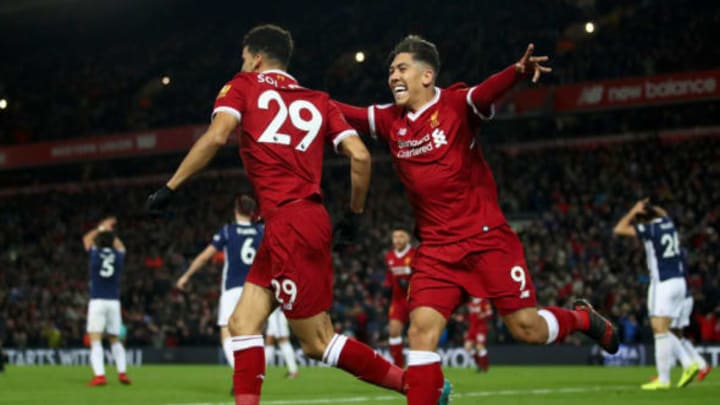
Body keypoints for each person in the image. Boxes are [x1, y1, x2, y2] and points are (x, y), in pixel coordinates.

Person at [145, 25, 449, 405]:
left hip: (291, 224)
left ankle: (420, 387)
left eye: (244, 58)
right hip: (289, 223)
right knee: (242, 323)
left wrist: (170, 187)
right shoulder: (319, 100)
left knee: (318, 342)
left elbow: (217, 135)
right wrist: (353, 215)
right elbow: (360, 156)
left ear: (255, 58)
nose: (243, 64)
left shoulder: (243, 85)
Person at [334, 35, 618, 404]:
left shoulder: (455, 104)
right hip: (436, 250)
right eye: (390, 71)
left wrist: (515, 73)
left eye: (401, 69)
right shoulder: (391, 120)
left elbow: (484, 94)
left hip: (487, 241)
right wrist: (295, 95)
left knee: (527, 328)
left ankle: (583, 319)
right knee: (420, 334)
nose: (393, 77)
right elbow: (341, 111)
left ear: (427, 75)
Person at [613, 199, 702, 389]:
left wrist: (632, 211)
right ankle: (687, 364)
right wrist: (648, 208)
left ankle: (665, 378)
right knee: (666, 329)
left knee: (658, 329)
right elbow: (662, 212)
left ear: (643, 220)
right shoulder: (668, 224)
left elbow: (619, 229)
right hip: (680, 283)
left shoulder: (650, 230)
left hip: (663, 282)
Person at [82, 216, 131, 387]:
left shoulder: (95, 253)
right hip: (113, 302)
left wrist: (101, 227)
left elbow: (86, 239)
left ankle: (100, 376)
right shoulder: (118, 255)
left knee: (95, 339)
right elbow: (120, 246)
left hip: (97, 301)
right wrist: (110, 233)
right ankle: (122, 373)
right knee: (115, 339)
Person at [384, 227, 415, 367]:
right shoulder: (389, 256)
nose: (397, 239)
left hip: (415, 299)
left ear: (408, 238)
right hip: (397, 301)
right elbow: (389, 278)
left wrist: (409, 281)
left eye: (401, 236)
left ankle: (421, 367)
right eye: (395, 237)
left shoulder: (415, 254)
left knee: (416, 334)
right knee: (394, 331)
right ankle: (399, 367)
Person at [265, 308, 299, 378]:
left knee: (283, 340)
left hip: (277, 313)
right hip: (272, 314)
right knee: (269, 342)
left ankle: (293, 371)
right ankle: (260, 371)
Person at [464, 297, 492, 372]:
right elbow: (470, 316)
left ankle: (485, 367)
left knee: (479, 346)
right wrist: (464, 319)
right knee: (467, 347)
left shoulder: (484, 302)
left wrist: (483, 315)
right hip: (472, 328)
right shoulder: (470, 303)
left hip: (481, 327)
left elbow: (489, 313)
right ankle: (479, 364)